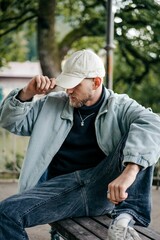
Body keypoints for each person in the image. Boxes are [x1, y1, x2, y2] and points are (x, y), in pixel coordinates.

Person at [0, 49, 160, 240]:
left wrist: (130, 171)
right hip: (59, 190)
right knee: (5, 213)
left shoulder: (120, 106)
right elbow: (11, 122)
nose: (68, 90)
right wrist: (27, 93)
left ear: (96, 82)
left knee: (143, 132)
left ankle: (125, 218)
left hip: (102, 189)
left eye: (74, 85)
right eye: (66, 84)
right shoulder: (51, 104)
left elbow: (153, 124)